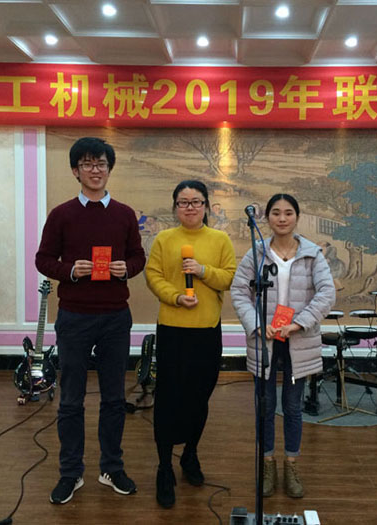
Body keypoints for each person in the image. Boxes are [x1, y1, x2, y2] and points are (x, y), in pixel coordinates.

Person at [35, 137, 146, 504]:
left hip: (115, 317)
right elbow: (43, 259)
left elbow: (138, 257)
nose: (95, 170)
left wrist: (126, 268)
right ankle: (71, 472)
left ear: (109, 169)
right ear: (75, 171)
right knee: (71, 399)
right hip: (75, 316)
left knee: (114, 398)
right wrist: (71, 271)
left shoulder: (125, 214)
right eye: (87, 164)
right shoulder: (62, 214)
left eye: (101, 163)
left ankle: (111, 467)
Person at [230, 193, 335, 499]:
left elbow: (326, 293)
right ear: (267, 218)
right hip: (264, 339)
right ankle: (267, 465)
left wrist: (299, 323)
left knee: (292, 406)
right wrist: (257, 324)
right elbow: (239, 291)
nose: (282, 218)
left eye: (288, 213)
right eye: (275, 213)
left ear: (297, 217)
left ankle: (291, 465)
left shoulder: (313, 254)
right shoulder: (256, 254)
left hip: (297, 340)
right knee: (264, 406)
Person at [145, 180, 237, 509]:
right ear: (175, 208)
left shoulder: (220, 239)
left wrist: (202, 270)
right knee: (167, 399)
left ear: (207, 206)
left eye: (196, 202)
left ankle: (190, 454)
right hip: (172, 329)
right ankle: (163, 467)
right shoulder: (164, 239)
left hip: (206, 330)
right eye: (183, 202)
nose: (190, 208)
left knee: (199, 397)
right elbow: (153, 276)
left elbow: (229, 277)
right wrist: (174, 296)